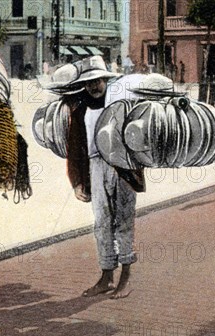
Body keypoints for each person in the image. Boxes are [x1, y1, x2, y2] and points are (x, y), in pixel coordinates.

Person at [65, 56, 144, 299]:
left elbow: (139, 135)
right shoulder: (80, 110)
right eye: (89, 82)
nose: (94, 86)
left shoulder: (122, 104)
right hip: (95, 167)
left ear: (105, 80)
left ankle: (126, 278)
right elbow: (74, 148)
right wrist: (77, 181)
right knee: (101, 223)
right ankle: (106, 275)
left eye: (97, 80)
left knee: (123, 220)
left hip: (121, 166)